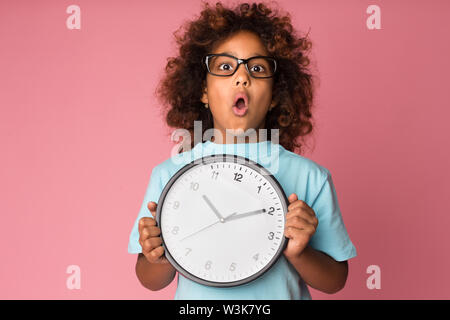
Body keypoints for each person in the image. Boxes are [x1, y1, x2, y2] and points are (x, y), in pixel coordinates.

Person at [128, 1, 357, 299]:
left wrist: (299, 252)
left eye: (257, 68)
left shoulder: (310, 177)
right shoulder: (168, 175)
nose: (242, 76)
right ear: (203, 91)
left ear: (275, 95)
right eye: (225, 66)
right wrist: (156, 253)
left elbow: (335, 280)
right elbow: (150, 279)